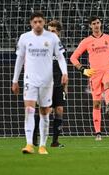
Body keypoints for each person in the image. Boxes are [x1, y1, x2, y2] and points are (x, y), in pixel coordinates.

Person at [12, 11, 68, 154]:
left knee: (45, 112)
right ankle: (29, 144)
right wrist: (14, 80)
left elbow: (61, 58)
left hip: (47, 81)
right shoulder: (24, 38)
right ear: (31, 23)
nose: (37, 24)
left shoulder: (52, 38)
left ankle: (42, 145)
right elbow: (19, 60)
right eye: (35, 22)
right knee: (29, 110)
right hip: (29, 80)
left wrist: (65, 73)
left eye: (40, 22)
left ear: (44, 22)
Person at [70, 16, 109, 141]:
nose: (96, 25)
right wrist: (83, 70)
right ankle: (98, 133)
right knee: (96, 104)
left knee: (108, 84)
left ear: (100, 24)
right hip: (94, 74)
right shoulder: (86, 41)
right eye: (93, 24)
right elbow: (73, 57)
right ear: (90, 26)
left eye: (98, 23)